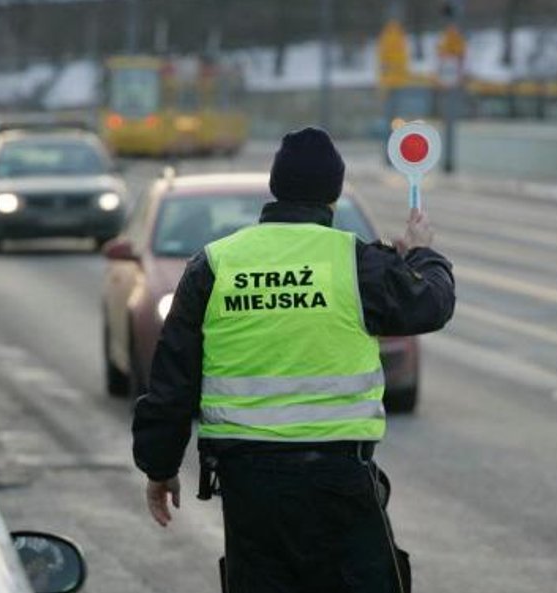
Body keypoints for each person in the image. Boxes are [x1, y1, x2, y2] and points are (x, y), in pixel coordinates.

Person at [132, 127, 455, 593]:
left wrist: (159, 468)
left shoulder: (216, 263)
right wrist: (422, 254)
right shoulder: (354, 261)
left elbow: (172, 380)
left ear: (275, 188)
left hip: (249, 488)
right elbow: (431, 306)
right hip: (340, 481)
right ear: (335, 193)